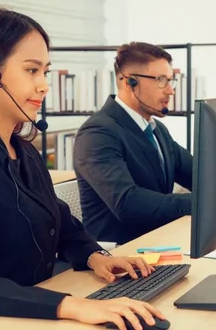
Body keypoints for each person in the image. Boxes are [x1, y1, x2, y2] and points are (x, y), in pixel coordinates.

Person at [0, 8, 166, 330]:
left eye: (45, 71)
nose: (44, 85)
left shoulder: (24, 151)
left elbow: (62, 225)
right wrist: (71, 306)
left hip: (33, 313)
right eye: (32, 71)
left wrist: (99, 258)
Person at [73, 42, 193, 246]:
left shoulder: (156, 130)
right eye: (161, 81)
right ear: (130, 82)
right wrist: (204, 203)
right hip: (119, 256)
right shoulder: (97, 133)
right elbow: (128, 203)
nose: (171, 91)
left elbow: (197, 174)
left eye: (171, 81)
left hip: (158, 245)